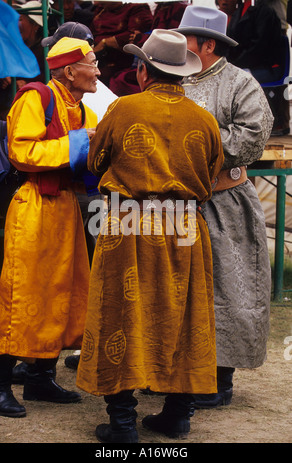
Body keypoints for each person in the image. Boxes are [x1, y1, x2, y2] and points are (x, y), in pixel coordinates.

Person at [76, 29, 225, 443]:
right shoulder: (205, 118)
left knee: (121, 315)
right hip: (186, 226)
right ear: (181, 75)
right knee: (185, 315)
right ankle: (178, 414)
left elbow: (95, 160)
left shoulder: (123, 110)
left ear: (143, 71)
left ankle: (122, 424)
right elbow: (210, 176)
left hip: (130, 223)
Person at [0, 37, 100, 418]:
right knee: (23, 292)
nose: (99, 71)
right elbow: (23, 152)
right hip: (35, 204)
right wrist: (79, 144)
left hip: (67, 206)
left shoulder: (83, 110)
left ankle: (40, 378)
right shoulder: (35, 97)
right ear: (70, 71)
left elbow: (87, 160)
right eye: (93, 63)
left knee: (63, 290)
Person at [174, 5, 273, 408]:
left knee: (226, 289)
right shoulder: (173, 78)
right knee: (181, 288)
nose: (180, 45)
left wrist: (192, 144)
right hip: (177, 204)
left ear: (208, 44)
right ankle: (180, 375)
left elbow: (252, 135)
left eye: (187, 39)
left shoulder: (239, 83)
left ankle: (218, 381)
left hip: (224, 202)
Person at [226, 0, 289, 136]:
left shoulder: (265, 12)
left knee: (233, 78)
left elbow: (259, 48)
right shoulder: (241, 9)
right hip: (247, 62)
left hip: (265, 66)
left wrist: (236, 65)